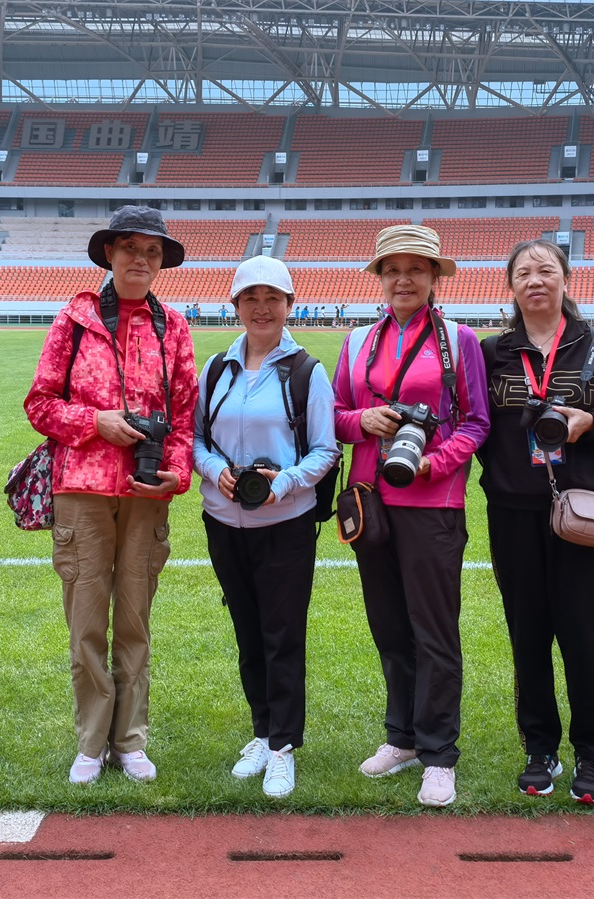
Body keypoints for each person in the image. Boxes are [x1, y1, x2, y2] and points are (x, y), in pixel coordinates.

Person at [24, 205, 197, 786]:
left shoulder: (173, 325)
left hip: (147, 491)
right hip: (82, 489)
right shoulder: (73, 319)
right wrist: (95, 423)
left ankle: (130, 741)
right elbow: (40, 405)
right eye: (129, 249)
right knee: (86, 623)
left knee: (134, 623)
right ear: (109, 255)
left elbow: (184, 417)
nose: (140, 260)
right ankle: (92, 741)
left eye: (151, 252)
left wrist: (177, 471)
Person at [477, 240, 594, 805]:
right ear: (511, 287)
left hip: (582, 512)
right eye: (523, 272)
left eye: (547, 269)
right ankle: (539, 747)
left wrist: (585, 424)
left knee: (582, 632)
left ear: (567, 279)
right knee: (528, 632)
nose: (535, 279)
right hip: (513, 512)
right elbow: (476, 424)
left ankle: (589, 752)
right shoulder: (491, 351)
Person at [332, 225, 490, 807]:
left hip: (433, 503)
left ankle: (440, 753)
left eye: (416, 269)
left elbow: (477, 422)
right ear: (380, 277)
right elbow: (336, 413)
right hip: (371, 502)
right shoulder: (357, 341)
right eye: (393, 269)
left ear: (432, 277)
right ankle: (401, 737)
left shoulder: (460, 340)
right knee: (390, 627)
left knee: (434, 631)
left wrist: (433, 462)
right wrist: (361, 423)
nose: (404, 278)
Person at [193, 256, 338, 799]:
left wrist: (285, 483)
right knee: (248, 634)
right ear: (235, 306)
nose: (261, 307)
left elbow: (326, 447)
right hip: (223, 521)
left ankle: (283, 747)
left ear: (289, 306)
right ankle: (260, 732)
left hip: (286, 524)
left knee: (282, 635)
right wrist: (215, 472)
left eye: (272, 298)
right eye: (250, 297)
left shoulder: (306, 371)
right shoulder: (216, 369)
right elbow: (196, 441)